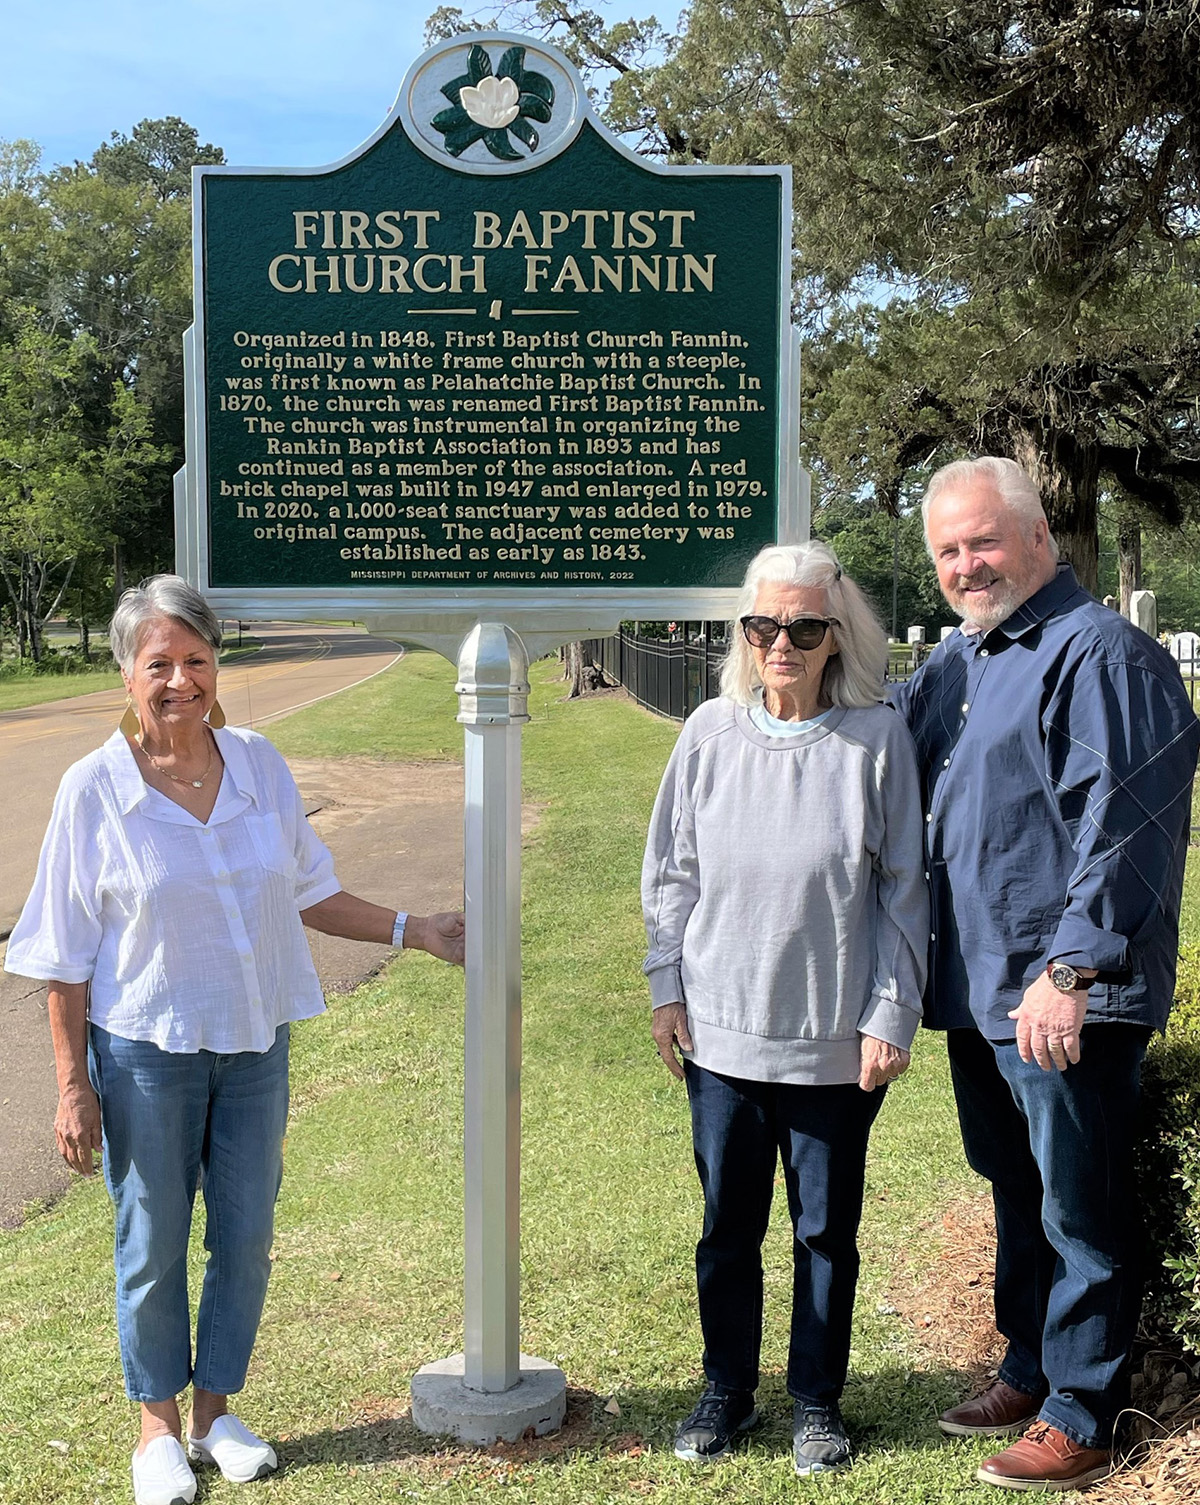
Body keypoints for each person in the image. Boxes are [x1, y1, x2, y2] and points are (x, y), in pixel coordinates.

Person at [4, 576, 465, 1505]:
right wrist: (72, 1084)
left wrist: (416, 928)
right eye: (159, 663)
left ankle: (215, 1412)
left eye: (197, 660)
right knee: (152, 1242)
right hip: (144, 1053)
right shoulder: (94, 789)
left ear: (219, 667)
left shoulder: (257, 764)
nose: (181, 680)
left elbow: (309, 890)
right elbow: (62, 952)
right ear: (127, 675)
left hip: (254, 1045)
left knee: (247, 1238)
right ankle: (158, 1429)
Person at [891, 457, 1200, 1491]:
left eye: (982, 540)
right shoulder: (970, 660)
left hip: (1065, 992)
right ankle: (1028, 1362)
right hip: (984, 990)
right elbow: (883, 730)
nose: (965, 564)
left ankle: (1084, 1409)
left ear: (1039, 538)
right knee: (1016, 1184)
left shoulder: (1100, 654)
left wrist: (1071, 967)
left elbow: (1131, 827)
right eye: (947, 550)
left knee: (1081, 1204)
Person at [642, 541, 928, 1476]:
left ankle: (816, 1401)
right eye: (765, 625)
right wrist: (664, 985)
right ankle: (726, 1386)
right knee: (728, 1227)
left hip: (832, 1042)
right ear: (745, 632)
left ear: (836, 636)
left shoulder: (877, 739)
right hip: (722, 1032)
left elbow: (902, 887)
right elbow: (672, 871)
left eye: (805, 627)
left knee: (823, 1230)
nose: (783, 643)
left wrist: (892, 1010)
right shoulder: (708, 733)